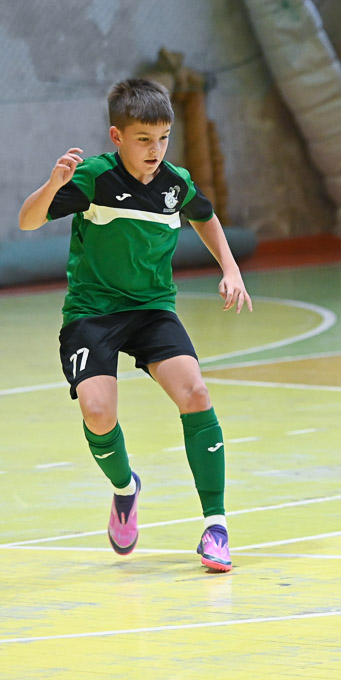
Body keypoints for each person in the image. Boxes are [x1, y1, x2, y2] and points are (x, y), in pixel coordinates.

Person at [18, 78, 253, 573]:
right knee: (98, 413)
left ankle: (216, 526)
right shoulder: (93, 179)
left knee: (196, 393)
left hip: (151, 310)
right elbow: (27, 221)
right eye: (144, 139)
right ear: (117, 136)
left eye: (163, 138)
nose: (155, 150)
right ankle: (125, 488)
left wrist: (230, 268)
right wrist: (54, 184)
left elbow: (205, 216)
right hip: (92, 312)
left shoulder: (175, 183)